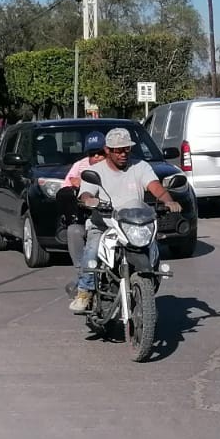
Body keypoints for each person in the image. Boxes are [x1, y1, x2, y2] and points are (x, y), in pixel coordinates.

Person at [72, 127, 179, 313]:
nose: (123, 154)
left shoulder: (141, 167)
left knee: (153, 248)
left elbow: (155, 186)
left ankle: (148, 283)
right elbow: (86, 192)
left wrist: (168, 201)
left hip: (133, 225)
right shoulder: (95, 170)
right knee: (91, 252)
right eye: (118, 150)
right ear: (107, 150)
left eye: (127, 149)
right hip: (104, 225)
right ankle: (84, 291)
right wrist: (88, 199)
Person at [61, 131, 107, 295]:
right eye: (92, 154)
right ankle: (84, 277)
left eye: (100, 153)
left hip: (115, 217)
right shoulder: (80, 166)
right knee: (74, 231)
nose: (97, 157)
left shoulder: (115, 166)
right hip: (89, 216)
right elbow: (68, 185)